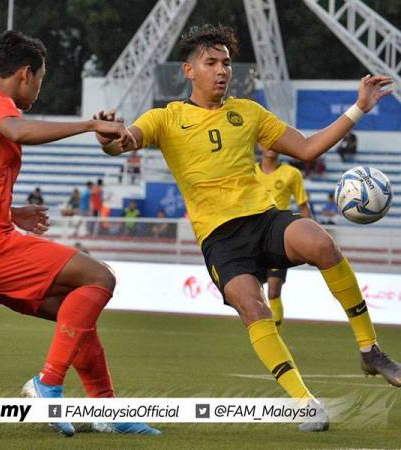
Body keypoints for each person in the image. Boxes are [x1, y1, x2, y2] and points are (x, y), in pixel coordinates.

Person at [96, 24, 400, 432]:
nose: (222, 70)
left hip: (263, 218)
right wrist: (106, 137)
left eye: (226, 63)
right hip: (219, 238)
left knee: (320, 241)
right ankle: (304, 403)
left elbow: (307, 148)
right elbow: (124, 142)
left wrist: (358, 107)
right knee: (252, 307)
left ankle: (370, 349)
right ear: (189, 70)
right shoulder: (166, 118)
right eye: (212, 63)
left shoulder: (249, 112)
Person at [0, 30, 158, 437]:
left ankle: (107, 408)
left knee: (77, 309)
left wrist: (10, 211)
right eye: (40, 80)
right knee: (100, 277)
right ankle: (47, 384)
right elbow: (18, 132)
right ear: (24, 74)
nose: (38, 89)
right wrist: (88, 124)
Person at [255, 144, 312, 330]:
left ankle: (276, 334)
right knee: (254, 293)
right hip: (253, 238)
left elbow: (303, 208)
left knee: (273, 291)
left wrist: (309, 237)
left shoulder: (292, 174)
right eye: (265, 141)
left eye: (274, 142)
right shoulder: (249, 172)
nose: (270, 146)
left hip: (277, 238)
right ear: (258, 145)